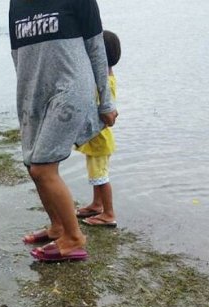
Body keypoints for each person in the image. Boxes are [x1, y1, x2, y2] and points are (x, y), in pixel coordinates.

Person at [9, 0, 117, 261]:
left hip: (70, 88)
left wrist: (106, 100)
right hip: (33, 93)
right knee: (31, 164)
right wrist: (26, 99)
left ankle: (74, 237)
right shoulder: (16, 4)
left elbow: (96, 48)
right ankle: (57, 226)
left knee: (43, 168)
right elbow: (18, 55)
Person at [76, 30, 121, 228]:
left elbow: (102, 107)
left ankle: (109, 213)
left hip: (100, 137)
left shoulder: (104, 82)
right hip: (96, 137)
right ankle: (97, 204)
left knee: (100, 176)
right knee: (95, 173)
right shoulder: (104, 78)